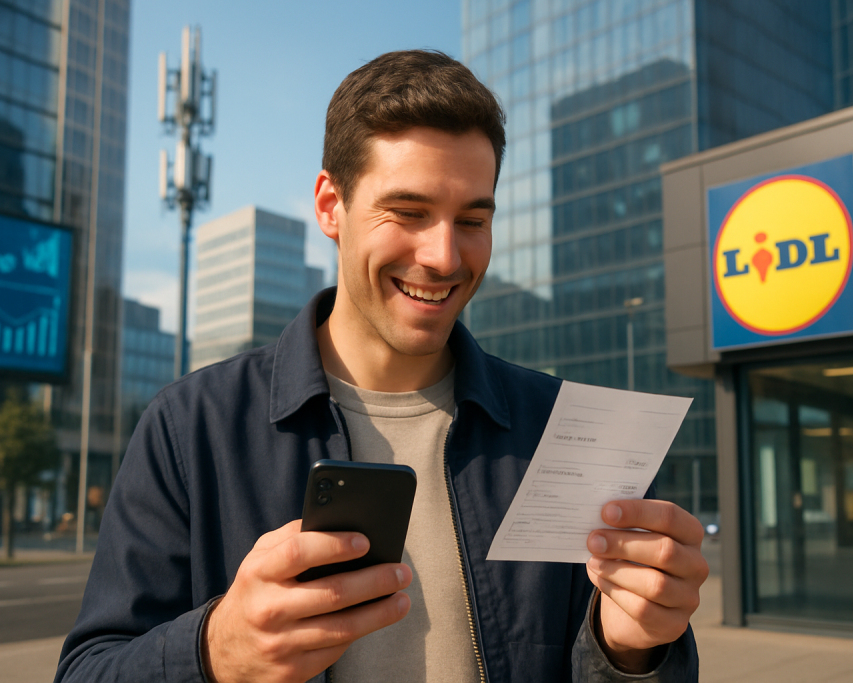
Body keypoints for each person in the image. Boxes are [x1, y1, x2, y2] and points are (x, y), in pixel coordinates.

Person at [55, 50, 706, 683]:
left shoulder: (559, 432)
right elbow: (88, 669)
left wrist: (631, 651)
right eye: (410, 213)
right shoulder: (190, 427)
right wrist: (213, 651)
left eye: (472, 219)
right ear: (330, 206)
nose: (445, 255)